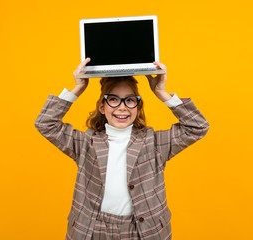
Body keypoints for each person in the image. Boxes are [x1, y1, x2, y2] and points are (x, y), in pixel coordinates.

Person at [34, 57, 210, 240]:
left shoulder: (154, 142)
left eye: (130, 100)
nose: (122, 107)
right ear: (102, 107)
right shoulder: (85, 143)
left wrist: (161, 92)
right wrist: (77, 89)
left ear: (138, 106)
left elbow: (197, 127)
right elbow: (46, 124)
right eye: (113, 100)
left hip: (143, 230)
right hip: (93, 228)